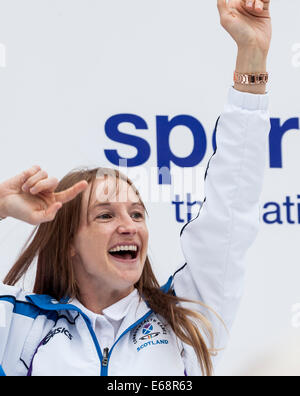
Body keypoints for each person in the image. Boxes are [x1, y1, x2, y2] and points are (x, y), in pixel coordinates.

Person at [0, 0, 272, 376]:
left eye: (137, 213)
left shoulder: (186, 318)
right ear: (68, 244)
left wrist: (252, 55)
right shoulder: (20, 326)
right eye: (105, 214)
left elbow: (233, 205)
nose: (129, 225)